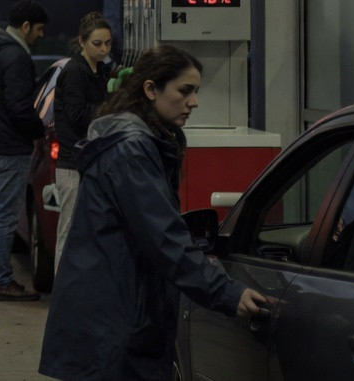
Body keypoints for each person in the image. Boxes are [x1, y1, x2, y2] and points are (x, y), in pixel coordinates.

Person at [39, 45, 268, 380]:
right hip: (117, 323)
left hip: (110, 317)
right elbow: (165, 238)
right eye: (185, 91)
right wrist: (226, 292)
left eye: (196, 91)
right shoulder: (131, 148)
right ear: (150, 89)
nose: (194, 102)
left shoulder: (136, 139)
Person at [0, 0, 48, 301]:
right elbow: (20, 109)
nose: (41, 36)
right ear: (26, 26)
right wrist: (38, 131)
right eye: (39, 29)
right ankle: (1, 282)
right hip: (8, 147)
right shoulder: (17, 57)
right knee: (4, 216)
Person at [51, 12, 115, 270]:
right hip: (72, 164)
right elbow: (78, 115)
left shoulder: (97, 70)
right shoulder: (75, 71)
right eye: (97, 43)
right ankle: (62, 299)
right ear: (82, 42)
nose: (103, 48)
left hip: (88, 161)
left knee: (86, 233)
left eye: (108, 43)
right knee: (68, 232)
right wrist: (110, 109)